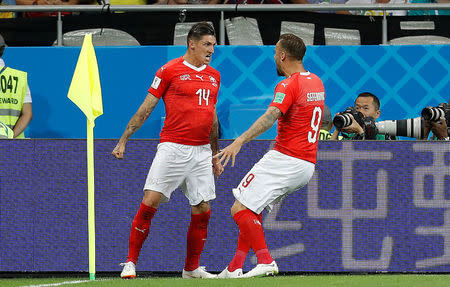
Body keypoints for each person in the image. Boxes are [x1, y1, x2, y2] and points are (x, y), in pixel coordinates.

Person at [111, 22, 223, 279]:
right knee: (151, 200)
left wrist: (215, 154)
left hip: (202, 151)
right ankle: (130, 262)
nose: (211, 50)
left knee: (203, 208)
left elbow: (212, 118)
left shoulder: (214, 76)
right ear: (191, 44)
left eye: (213, 45)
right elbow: (147, 106)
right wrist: (124, 139)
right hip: (173, 147)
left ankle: (192, 269)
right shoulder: (169, 70)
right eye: (207, 44)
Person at [215, 33, 325, 278]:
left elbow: (270, 116)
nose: (274, 57)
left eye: (276, 52)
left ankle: (265, 260)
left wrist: (239, 141)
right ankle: (234, 268)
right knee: (251, 209)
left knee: (239, 209)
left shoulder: (288, 84)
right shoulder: (316, 82)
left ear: (283, 55)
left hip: (285, 158)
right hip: (306, 164)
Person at [0, 35, 32, 139]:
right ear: (3, 49)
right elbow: (28, 114)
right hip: (14, 148)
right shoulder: (19, 77)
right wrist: (10, 138)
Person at [330, 92, 395, 140]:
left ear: (377, 113)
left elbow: (370, 154)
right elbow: (330, 152)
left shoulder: (386, 134)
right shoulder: (350, 133)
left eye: (365, 108)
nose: (360, 112)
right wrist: (337, 129)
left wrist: (360, 131)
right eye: (357, 108)